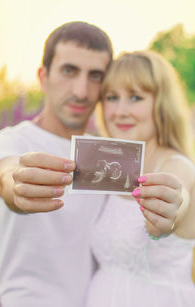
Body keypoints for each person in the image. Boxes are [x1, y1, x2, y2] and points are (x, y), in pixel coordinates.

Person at [0, 21, 113, 307]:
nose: (82, 90)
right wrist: (17, 187)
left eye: (95, 76)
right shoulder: (10, 141)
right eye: (69, 71)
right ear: (43, 76)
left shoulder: (111, 157)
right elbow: (6, 175)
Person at [85, 51, 195, 306]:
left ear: (161, 103)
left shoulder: (177, 167)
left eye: (135, 97)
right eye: (112, 97)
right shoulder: (109, 168)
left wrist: (168, 212)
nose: (120, 111)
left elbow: (177, 199)